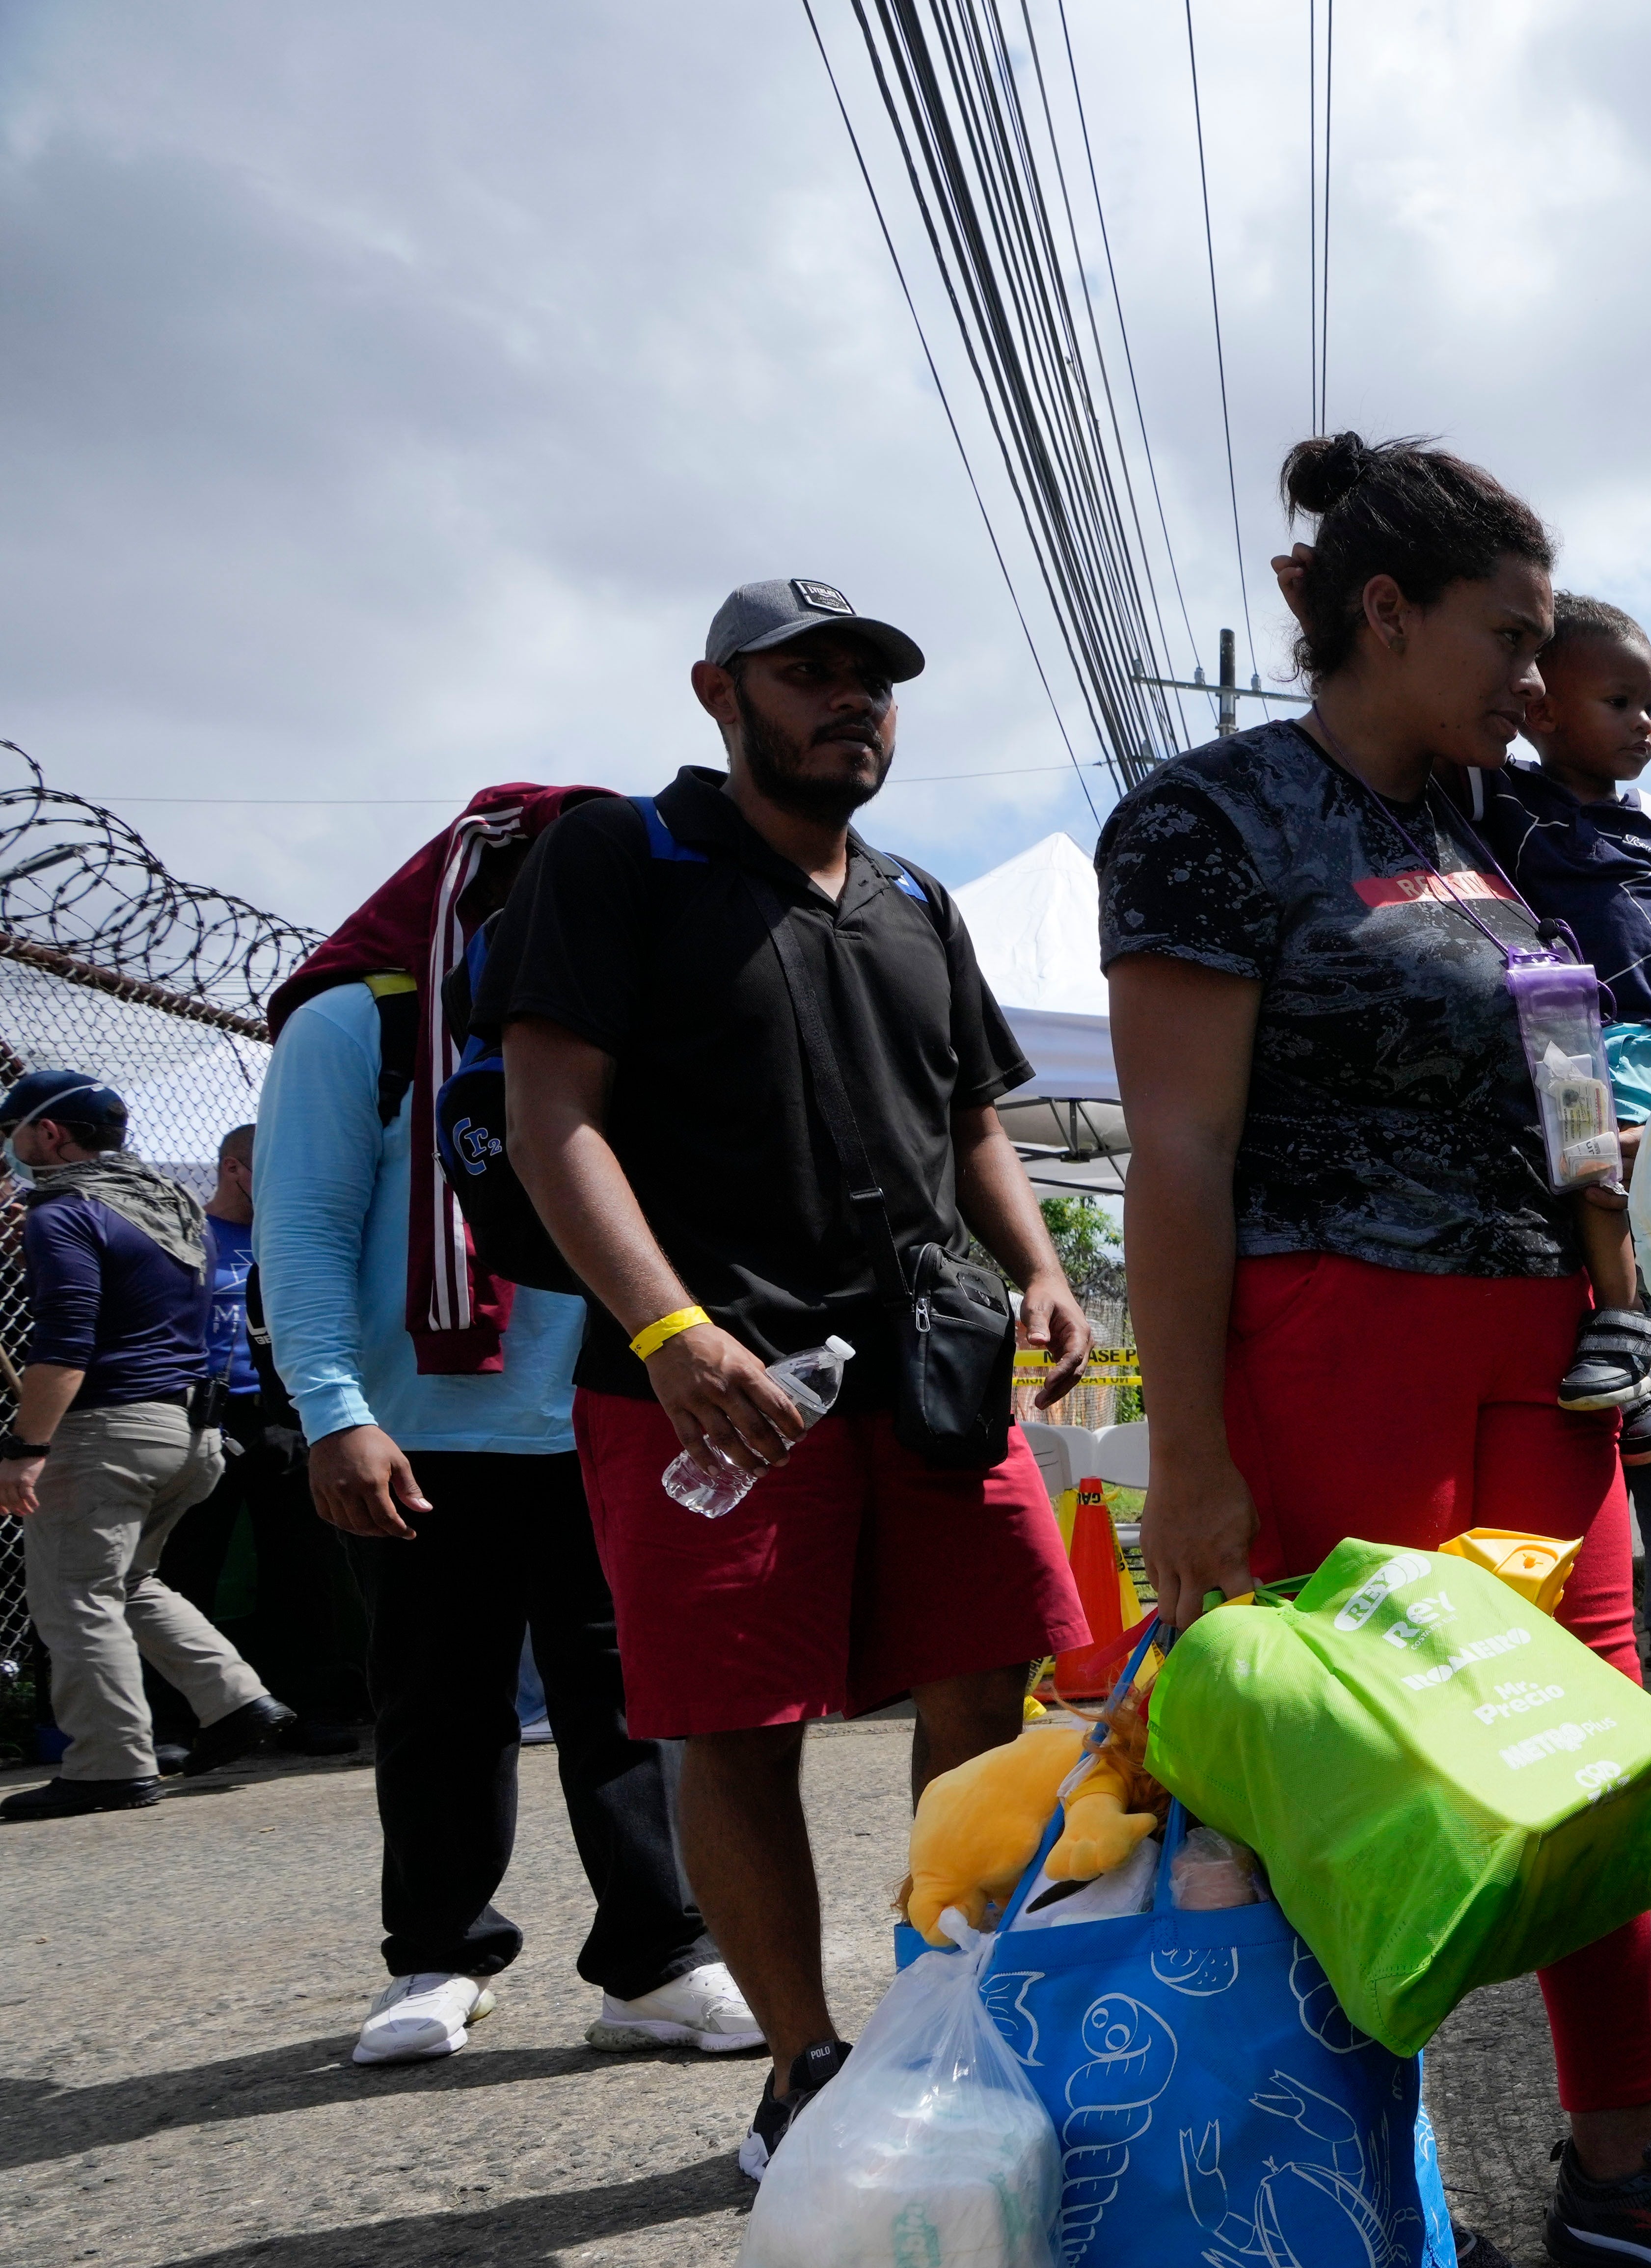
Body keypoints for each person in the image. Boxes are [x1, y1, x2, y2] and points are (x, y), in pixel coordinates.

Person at [1101, 433, 1651, 2268]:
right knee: (1366, 1785)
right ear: (1384, 613)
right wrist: (1189, 1458)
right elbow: (1178, 1153)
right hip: (1332, 1345)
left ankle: (1622, 2168)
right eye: (1509, 639)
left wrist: (1623, 1284)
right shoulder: (1212, 821)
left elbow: (1580, 1088)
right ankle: (1347, 2204)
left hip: (1538, 1368)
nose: (1532, 680)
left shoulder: (1498, 838)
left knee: (1584, 1767)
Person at [482, 578, 1093, 2181]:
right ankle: (804, 2070)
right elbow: (556, 1114)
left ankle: (943, 2016)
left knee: (991, 1675)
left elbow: (972, 1121)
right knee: (734, 1723)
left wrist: (1035, 1264)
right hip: (715, 1383)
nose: (851, 703)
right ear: (718, 691)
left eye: (874, 681)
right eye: (809, 675)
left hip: (934, 1369)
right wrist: (668, 1330)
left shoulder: (916, 900)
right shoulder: (623, 858)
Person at [262, 790, 748, 2069]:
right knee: (437, 1705)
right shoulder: (350, 1027)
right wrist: (334, 1414)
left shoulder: (626, 1019)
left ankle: (657, 1960)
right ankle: (436, 1957)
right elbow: (301, 1232)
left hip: (606, 1413)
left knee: (634, 1704)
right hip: (416, 1433)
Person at [1479, 594, 1651, 1665]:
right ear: (1542, 711)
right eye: (1619, 701)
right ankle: (1634, 1346)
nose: (1644, 725)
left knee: (1624, 1176)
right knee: (1594, 1171)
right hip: (1554, 1023)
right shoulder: (1500, 800)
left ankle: (1640, 1346)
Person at [0, 1070, 296, 1819]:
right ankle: (236, 1702)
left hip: (107, 1430)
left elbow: (66, 1340)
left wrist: (25, 1446)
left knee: (74, 1596)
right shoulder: (163, 1205)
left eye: (18, 1133)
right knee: (129, 1582)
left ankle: (108, 1765)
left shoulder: (64, 1213)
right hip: (190, 1431)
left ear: (50, 1135)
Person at [154, 1126, 368, 1758]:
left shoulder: (292, 1241)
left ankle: (308, 1707)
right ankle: (176, 1719)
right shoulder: (187, 1241)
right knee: (183, 1569)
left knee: (303, 1568)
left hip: (286, 1416)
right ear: (234, 1170)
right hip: (206, 1419)